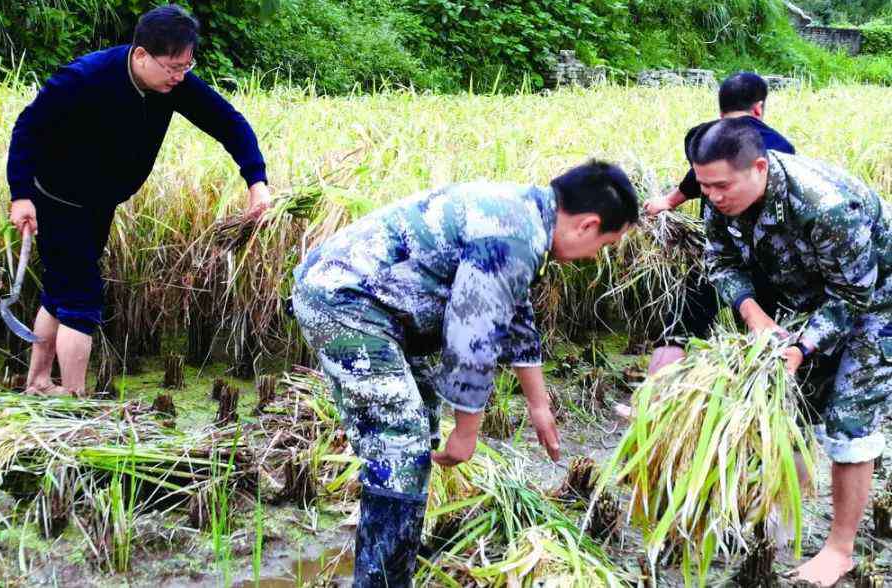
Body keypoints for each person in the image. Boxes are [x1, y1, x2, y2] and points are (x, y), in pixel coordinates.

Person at [292, 161, 639, 586]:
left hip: (380, 308)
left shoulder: (525, 215)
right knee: (400, 443)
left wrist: (538, 403)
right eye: (604, 245)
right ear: (588, 225)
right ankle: (381, 580)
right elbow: (473, 329)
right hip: (347, 302)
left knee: (418, 426)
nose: (592, 257)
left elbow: (514, 312)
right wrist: (467, 430)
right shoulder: (515, 235)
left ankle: (392, 560)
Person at [6, 4, 271, 396]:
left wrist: (256, 182)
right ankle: (74, 402)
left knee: (61, 288)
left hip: (98, 200)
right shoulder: (82, 79)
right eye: (173, 67)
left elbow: (227, 122)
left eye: (187, 67)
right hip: (57, 198)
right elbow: (26, 130)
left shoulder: (173, 84)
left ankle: (39, 383)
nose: (180, 76)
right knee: (81, 297)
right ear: (142, 54)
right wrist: (21, 195)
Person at [691, 118, 891, 586]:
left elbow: (853, 295)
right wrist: (755, 316)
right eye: (705, 187)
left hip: (875, 303)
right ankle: (778, 520)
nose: (714, 197)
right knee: (789, 405)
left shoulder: (827, 207)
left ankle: (839, 549)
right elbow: (718, 259)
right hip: (804, 299)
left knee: (848, 420)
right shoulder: (718, 197)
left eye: (721, 186)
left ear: (759, 167)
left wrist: (803, 347)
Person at [643, 72, 795, 375]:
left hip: (718, 255)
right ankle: (759, 397)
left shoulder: (701, 137)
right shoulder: (781, 146)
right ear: (759, 108)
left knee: (681, 323)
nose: (717, 194)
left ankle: (652, 398)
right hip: (766, 262)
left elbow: (695, 178)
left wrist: (667, 202)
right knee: (767, 333)